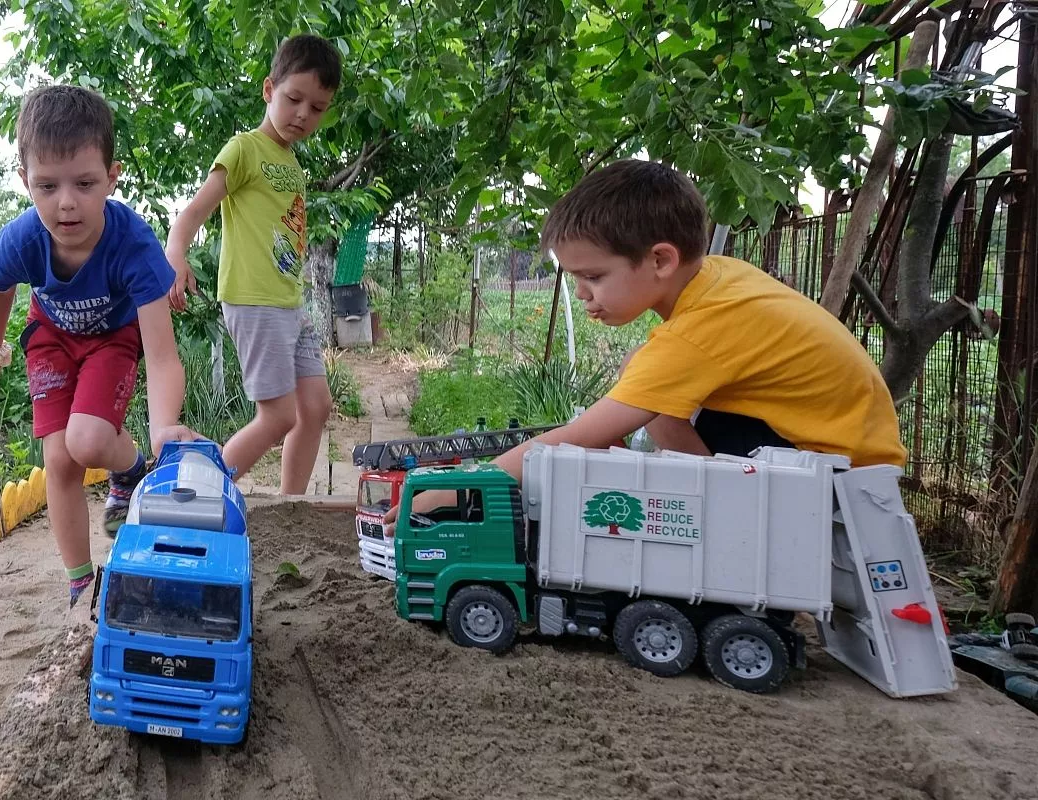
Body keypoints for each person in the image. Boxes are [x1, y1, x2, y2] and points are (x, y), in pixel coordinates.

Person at [386, 158, 907, 528]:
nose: (584, 295)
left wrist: (446, 494)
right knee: (643, 368)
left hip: (835, 483)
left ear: (660, 260)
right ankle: (706, 487)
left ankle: (716, 511)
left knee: (642, 385)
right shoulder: (717, 280)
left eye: (592, 276)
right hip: (832, 455)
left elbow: (576, 437)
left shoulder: (701, 330)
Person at [0, 85, 198, 607]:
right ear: (24, 179)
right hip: (49, 338)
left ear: (111, 178)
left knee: (90, 442)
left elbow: (161, 354)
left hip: (112, 341)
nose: (66, 202)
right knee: (60, 460)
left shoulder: (134, 245)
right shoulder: (20, 239)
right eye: (47, 185)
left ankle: (130, 464)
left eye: (85, 183)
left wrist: (164, 425)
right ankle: (80, 581)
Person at [164, 34, 341, 495]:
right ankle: (196, 494)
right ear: (269, 90)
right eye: (294, 99)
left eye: (317, 107)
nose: (303, 114)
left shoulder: (292, 162)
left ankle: (291, 503)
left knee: (315, 406)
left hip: (289, 303)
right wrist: (177, 253)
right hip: (254, 300)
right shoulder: (244, 149)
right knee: (279, 416)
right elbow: (194, 211)